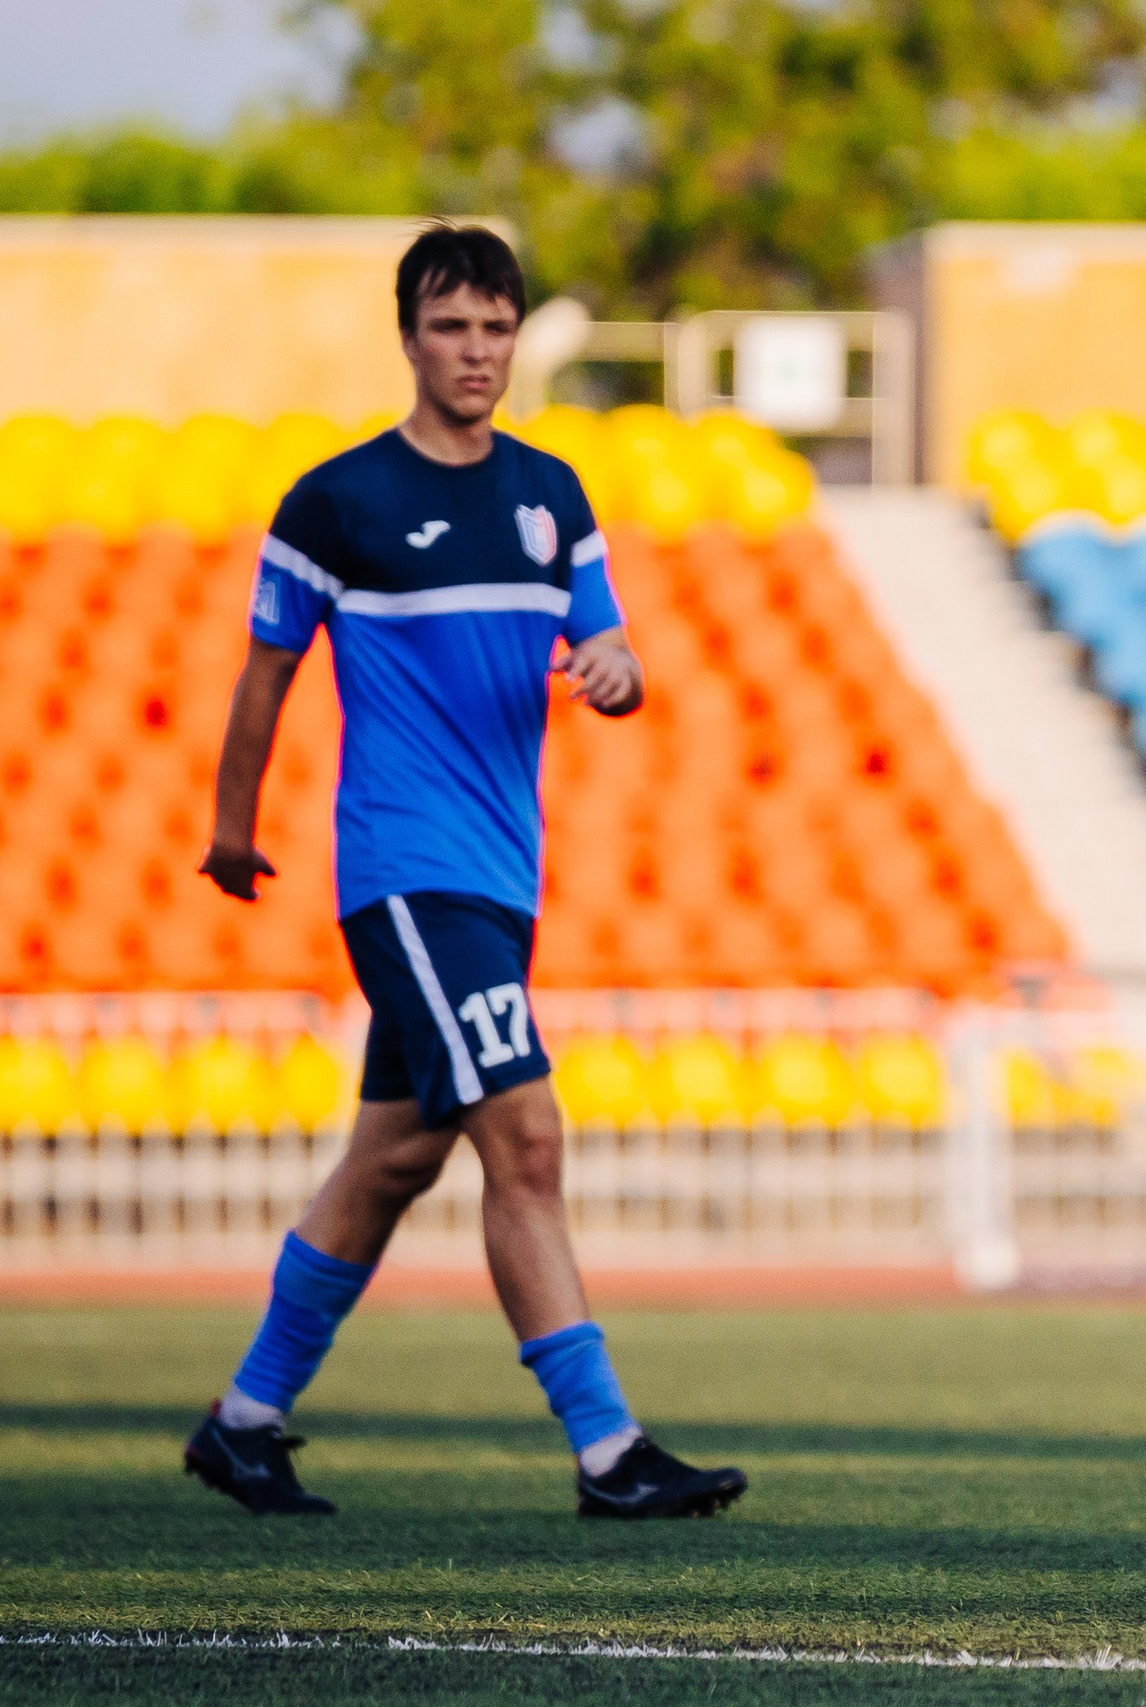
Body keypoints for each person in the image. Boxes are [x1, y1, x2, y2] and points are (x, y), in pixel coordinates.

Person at [184, 222, 745, 1520]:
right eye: (452, 327)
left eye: (497, 327)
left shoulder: (555, 496)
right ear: (409, 339)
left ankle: (244, 1421)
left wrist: (619, 674)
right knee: (528, 1139)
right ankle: (609, 1449)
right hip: (406, 872)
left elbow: (614, 658)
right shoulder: (338, 503)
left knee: (392, 1161)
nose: (477, 351)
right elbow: (264, 677)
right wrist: (230, 827)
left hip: (502, 879)